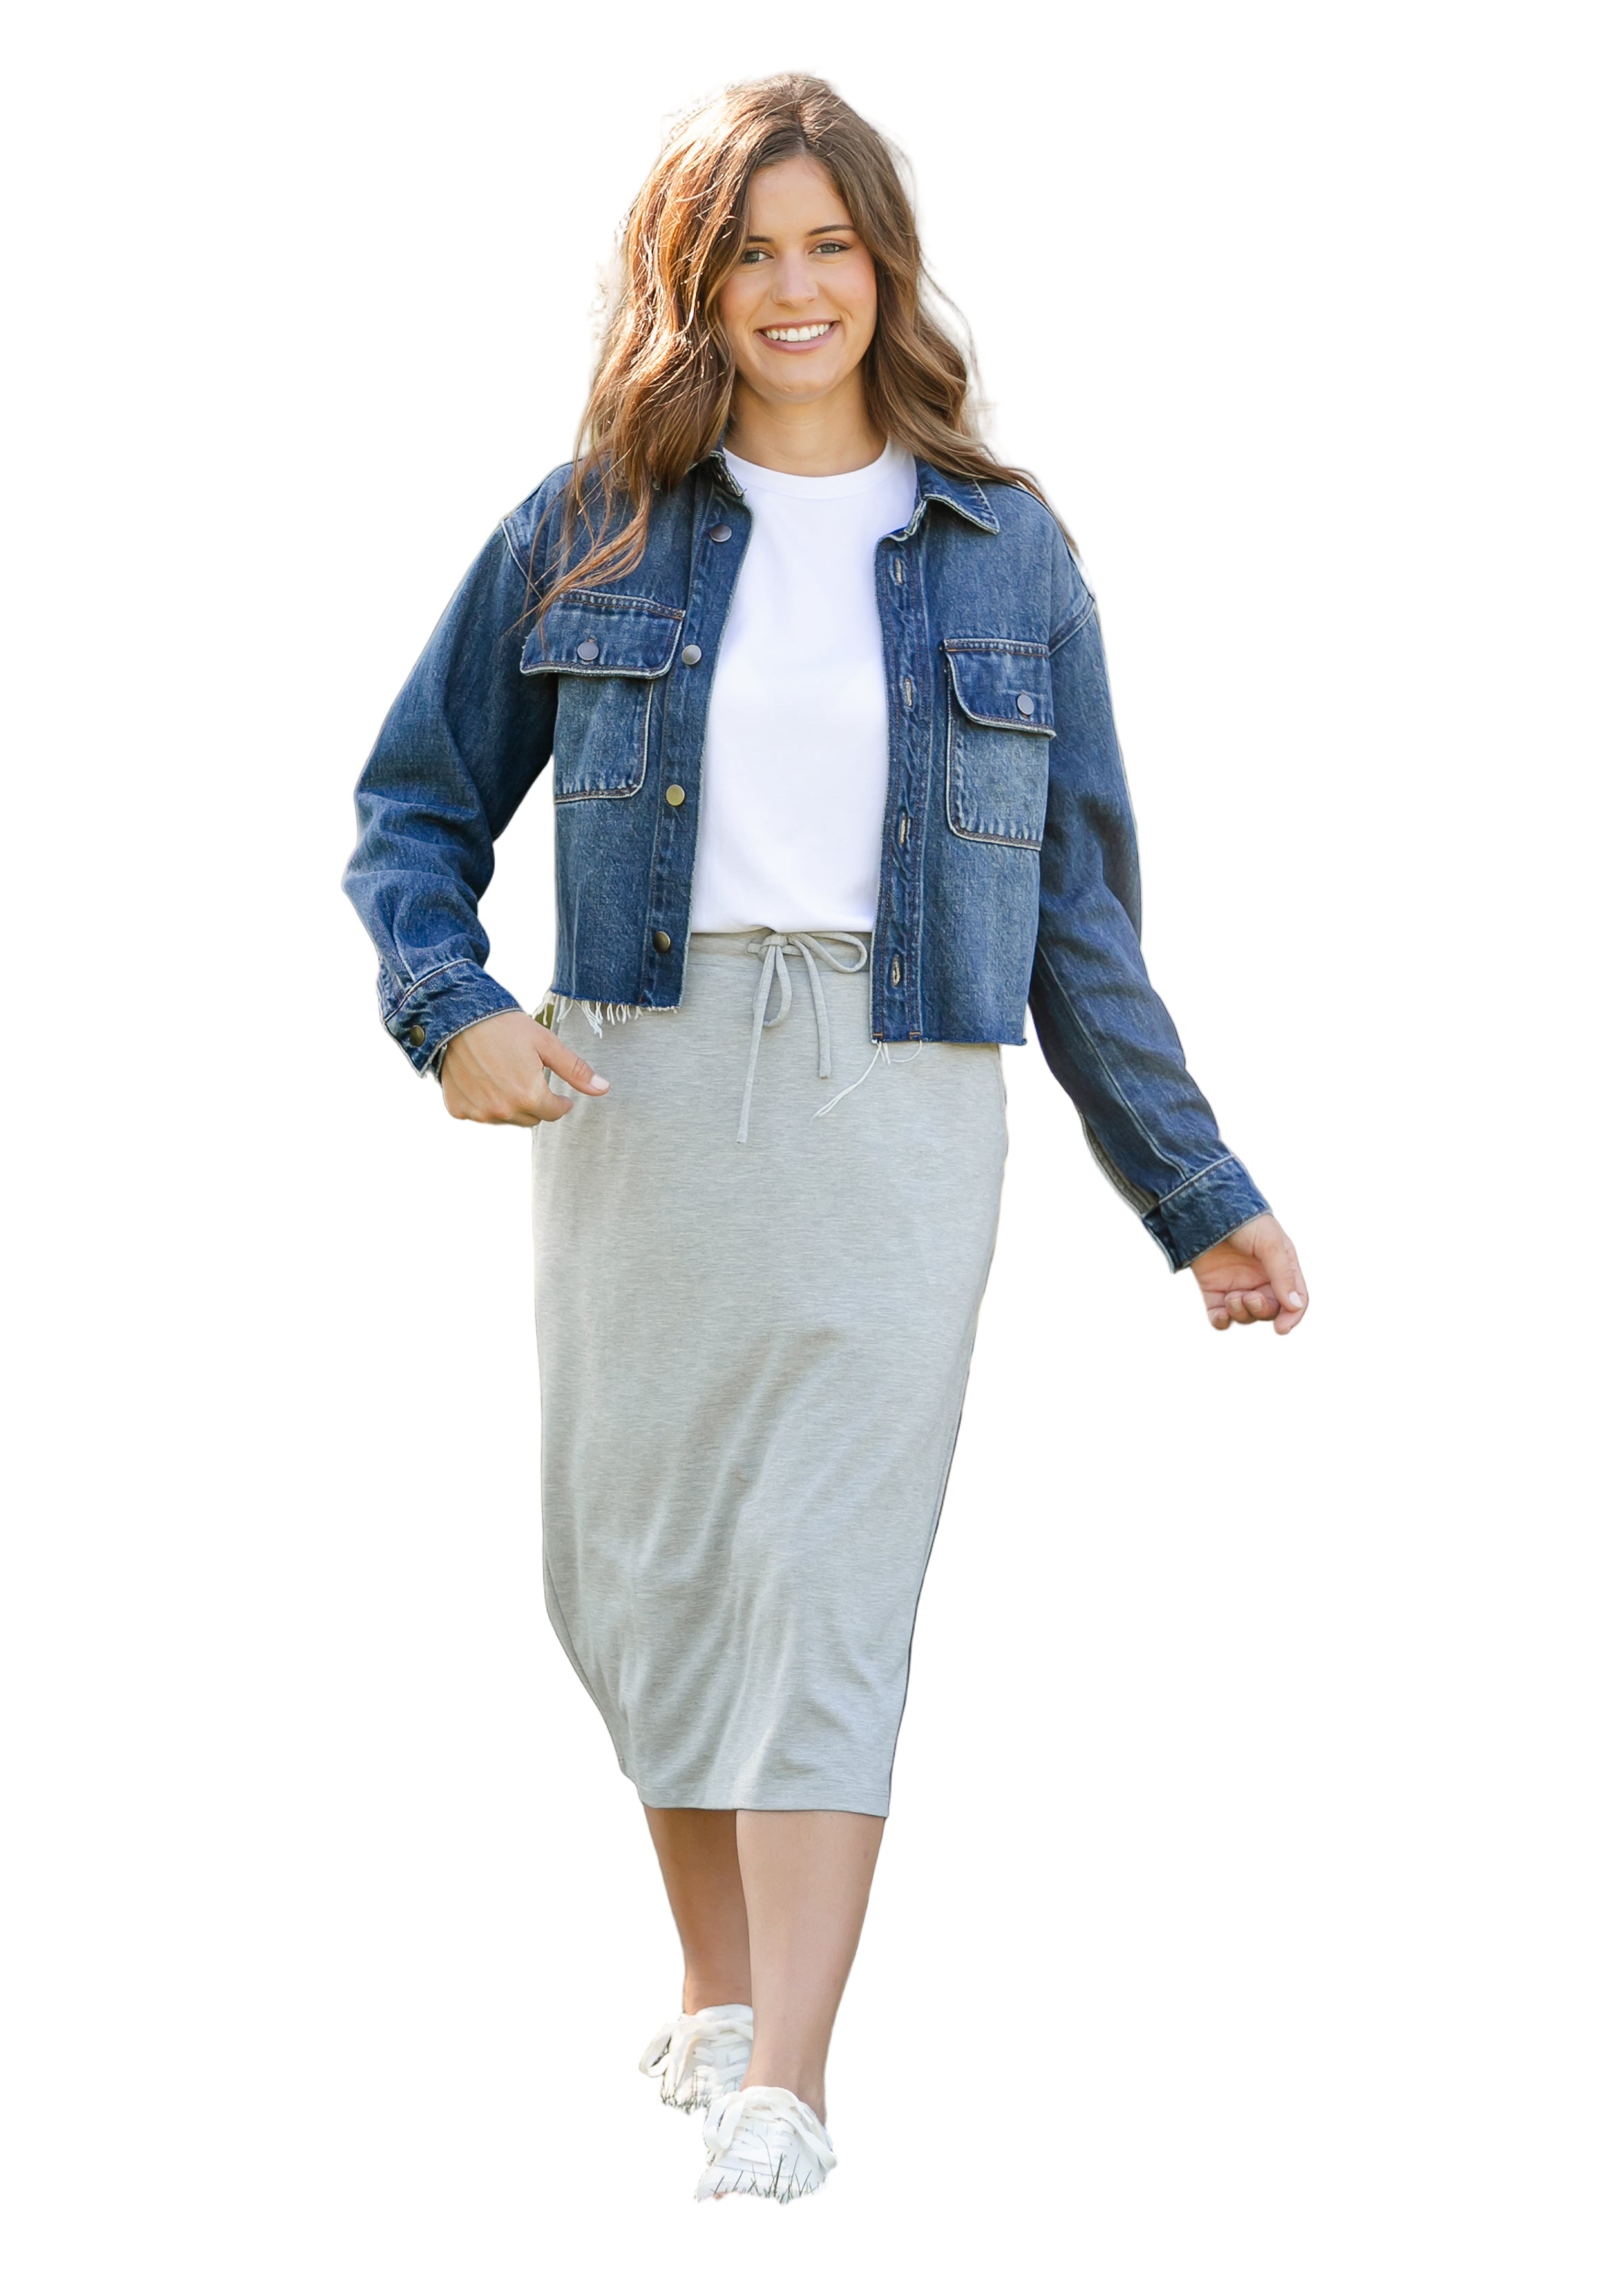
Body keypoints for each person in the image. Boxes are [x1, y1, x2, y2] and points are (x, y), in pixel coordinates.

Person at [342, 71, 1308, 2205]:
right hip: (639, 1079)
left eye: (830, 247)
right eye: (750, 255)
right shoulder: (591, 519)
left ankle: (791, 2069)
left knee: (828, 1567)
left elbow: (1077, 916)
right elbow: (414, 804)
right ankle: (712, 1990)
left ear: (886, 266)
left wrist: (1199, 1194)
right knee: (641, 1558)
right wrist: (453, 1010)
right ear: (692, 288)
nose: (795, 290)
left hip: (899, 1091)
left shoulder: (1005, 548)